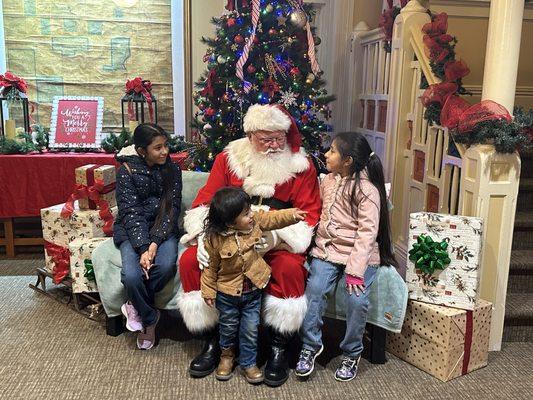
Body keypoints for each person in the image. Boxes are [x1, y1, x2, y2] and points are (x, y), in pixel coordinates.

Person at [178, 104, 321, 386]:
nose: (272, 145)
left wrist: (279, 237)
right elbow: (206, 201)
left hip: (276, 236)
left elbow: (309, 213)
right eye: (264, 139)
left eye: (278, 138)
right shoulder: (229, 158)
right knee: (190, 261)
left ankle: (280, 347)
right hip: (227, 234)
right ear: (249, 135)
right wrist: (207, 236)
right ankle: (212, 342)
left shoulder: (301, 165)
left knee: (290, 269)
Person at [294, 132, 398, 382]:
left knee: (357, 301)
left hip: (359, 256)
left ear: (348, 160)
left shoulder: (367, 190)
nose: (326, 154)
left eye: (332, 151)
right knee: (315, 291)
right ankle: (310, 346)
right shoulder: (327, 181)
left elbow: (367, 233)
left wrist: (354, 270)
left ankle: (352, 351)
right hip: (327, 252)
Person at [201, 186, 307, 384]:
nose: (252, 215)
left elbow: (273, 219)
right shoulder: (215, 239)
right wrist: (208, 291)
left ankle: (249, 363)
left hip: (253, 292)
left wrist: (293, 214)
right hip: (227, 294)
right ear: (230, 221)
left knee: (250, 329)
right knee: (228, 328)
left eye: (250, 211)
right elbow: (210, 267)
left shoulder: (255, 222)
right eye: (245, 214)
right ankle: (227, 357)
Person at [113, 123, 182, 350]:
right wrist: (143, 247)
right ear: (142, 151)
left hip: (163, 232)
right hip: (132, 232)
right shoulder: (126, 171)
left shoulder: (173, 170)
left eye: (166, 146)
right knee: (132, 276)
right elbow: (130, 213)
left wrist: (154, 244)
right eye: (158, 148)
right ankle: (150, 320)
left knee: (164, 267)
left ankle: (135, 304)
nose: (165, 152)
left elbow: (172, 210)